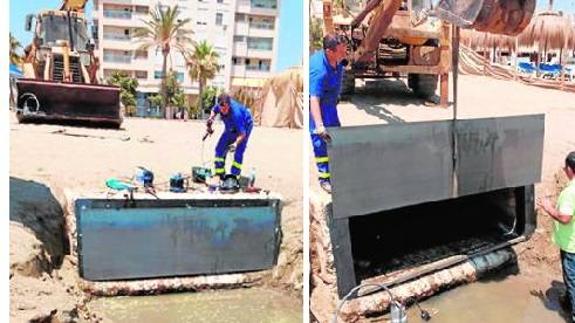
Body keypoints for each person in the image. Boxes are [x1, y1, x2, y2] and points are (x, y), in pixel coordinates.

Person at [309, 34, 348, 193]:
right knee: (321, 142)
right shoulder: (319, 70)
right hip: (319, 108)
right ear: (329, 52)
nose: (344, 53)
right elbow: (314, 99)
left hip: (331, 105)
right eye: (341, 51)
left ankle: (336, 173)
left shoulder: (338, 61)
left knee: (335, 138)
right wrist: (319, 125)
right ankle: (324, 178)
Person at [538, 151, 575, 320]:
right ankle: (568, 302)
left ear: (569, 169)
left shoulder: (570, 192)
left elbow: (565, 218)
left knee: (572, 280)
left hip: (571, 246)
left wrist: (548, 207)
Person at [206, 93, 253, 180]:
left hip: (245, 125)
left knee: (238, 151)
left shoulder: (236, 114)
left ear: (229, 105)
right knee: (219, 148)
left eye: (226, 108)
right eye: (222, 108)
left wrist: (235, 144)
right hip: (230, 125)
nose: (224, 110)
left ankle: (234, 176)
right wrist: (211, 119)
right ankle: (220, 174)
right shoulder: (219, 105)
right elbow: (214, 110)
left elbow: (242, 134)